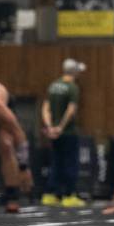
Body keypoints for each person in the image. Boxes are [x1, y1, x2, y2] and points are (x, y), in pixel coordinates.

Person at [0, 78, 33, 213]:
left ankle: (12, 196)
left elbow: (19, 135)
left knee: (6, 145)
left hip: (1, 103)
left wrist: (24, 167)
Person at [41, 58, 86, 208]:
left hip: (53, 133)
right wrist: (60, 127)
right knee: (70, 163)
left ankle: (50, 194)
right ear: (74, 71)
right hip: (68, 132)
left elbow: (45, 108)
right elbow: (71, 110)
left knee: (56, 162)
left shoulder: (53, 86)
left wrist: (50, 127)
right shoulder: (72, 87)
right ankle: (69, 195)